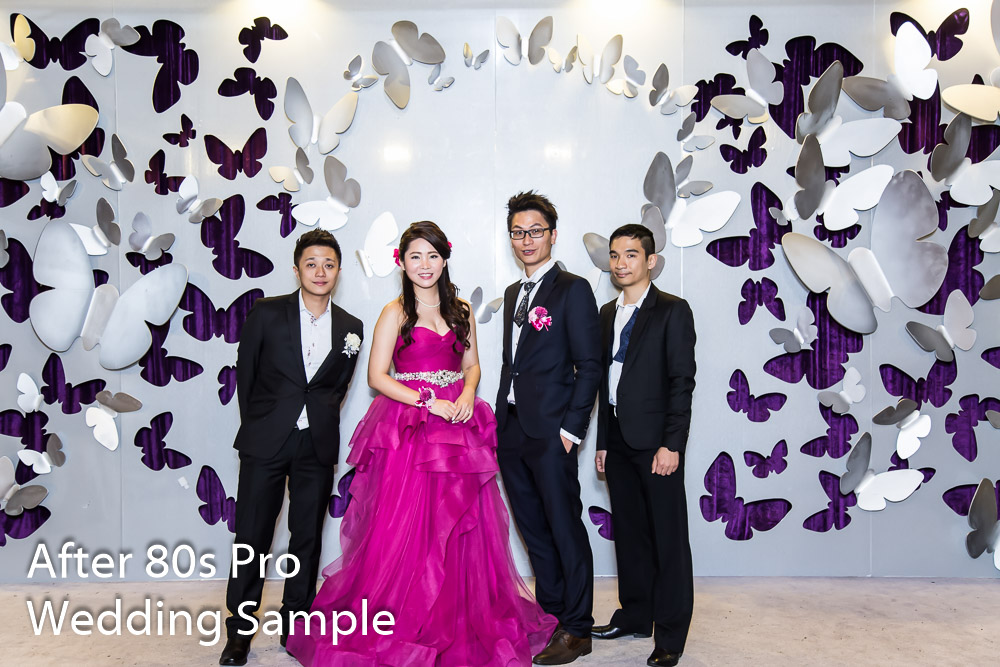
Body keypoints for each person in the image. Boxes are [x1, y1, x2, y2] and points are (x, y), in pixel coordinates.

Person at [287, 221, 556, 666]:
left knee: (463, 525)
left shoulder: (461, 309)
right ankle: (405, 617)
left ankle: (458, 615)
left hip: (458, 426)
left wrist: (467, 394)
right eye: (415, 256)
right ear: (402, 263)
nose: (424, 265)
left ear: (444, 260)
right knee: (409, 530)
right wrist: (428, 402)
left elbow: (472, 365)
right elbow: (377, 376)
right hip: (411, 428)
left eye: (432, 255)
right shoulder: (395, 312)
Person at [220, 229, 365, 666]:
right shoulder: (267, 313)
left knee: (307, 538)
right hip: (266, 441)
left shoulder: (351, 327)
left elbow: (336, 388)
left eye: (329, 264)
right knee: (252, 537)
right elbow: (246, 377)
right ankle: (239, 631)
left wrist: (315, 422)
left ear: (338, 271)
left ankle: (295, 625)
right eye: (311, 263)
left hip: (315, 445)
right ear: (297, 268)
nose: (320, 271)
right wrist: (262, 427)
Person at [494, 192, 601, 665]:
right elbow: (512, 364)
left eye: (535, 231)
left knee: (564, 527)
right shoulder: (514, 294)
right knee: (533, 530)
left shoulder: (572, 289)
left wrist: (571, 431)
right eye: (518, 232)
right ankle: (552, 616)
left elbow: (590, 366)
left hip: (553, 431)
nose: (527, 240)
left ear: (552, 235)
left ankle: (578, 628)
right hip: (513, 428)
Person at [591, 224, 696, 667]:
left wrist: (672, 444)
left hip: (656, 444)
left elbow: (681, 383)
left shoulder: (672, 310)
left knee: (667, 540)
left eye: (631, 255)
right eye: (615, 255)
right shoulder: (606, 313)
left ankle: (671, 635)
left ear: (650, 260)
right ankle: (635, 616)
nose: (621, 263)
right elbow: (602, 383)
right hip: (617, 439)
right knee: (630, 535)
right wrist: (602, 441)